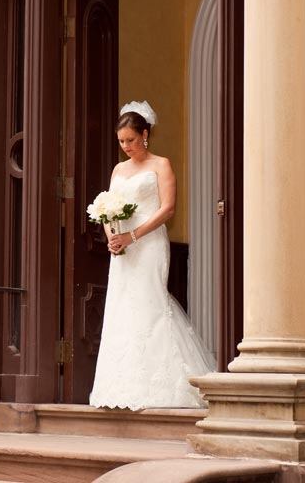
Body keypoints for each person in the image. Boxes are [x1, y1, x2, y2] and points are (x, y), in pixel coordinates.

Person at [89, 100, 216, 410]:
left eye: (131, 140)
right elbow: (107, 207)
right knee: (122, 307)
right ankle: (122, 386)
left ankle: (169, 385)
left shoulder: (161, 164)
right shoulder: (119, 169)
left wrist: (133, 236)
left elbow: (167, 208)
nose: (126, 147)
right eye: (121, 141)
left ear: (144, 135)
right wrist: (112, 238)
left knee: (151, 303)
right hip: (123, 248)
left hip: (148, 245)